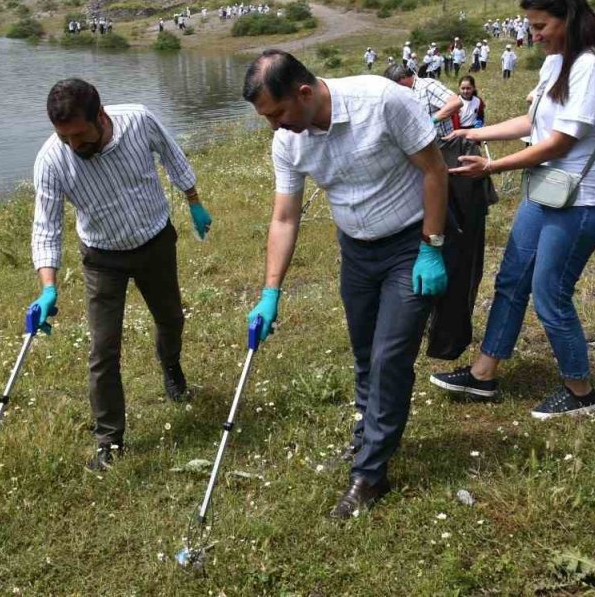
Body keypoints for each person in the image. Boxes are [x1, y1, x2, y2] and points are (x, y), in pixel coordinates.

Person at [242, 50, 450, 518]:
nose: (274, 127)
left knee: (390, 357)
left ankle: (370, 474)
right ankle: (366, 442)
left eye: (277, 114)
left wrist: (432, 247)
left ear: (304, 92)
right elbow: (284, 216)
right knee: (363, 354)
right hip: (356, 251)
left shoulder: (381, 101)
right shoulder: (288, 142)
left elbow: (435, 170)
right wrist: (270, 291)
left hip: (408, 245)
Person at [434, 0, 595, 418]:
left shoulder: (590, 67)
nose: (533, 35)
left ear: (568, 19)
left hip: (581, 200)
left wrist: (493, 167)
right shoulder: (555, 63)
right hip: (546, 191)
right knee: (512, 279)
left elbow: (559, 142)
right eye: (531, 25)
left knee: (550, 292)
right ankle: (484, 375)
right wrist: (475, 131)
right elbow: (534, 120)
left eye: (541, 26)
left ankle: (581, 392)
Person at [30, 79, 213, 472]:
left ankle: (170, 365)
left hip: (154, 241)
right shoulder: (51, 161)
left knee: (171, 319)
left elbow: (172, 155)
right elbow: (46, 227)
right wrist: (48, 288)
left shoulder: (138, 121)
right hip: (102, 257)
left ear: (100, 116)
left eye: (80, 135)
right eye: (65, 138)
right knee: (103, 349)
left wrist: (193, 200)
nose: (74, 146)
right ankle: (109, 441)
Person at [383, 62, 463, 136]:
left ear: (403, 77)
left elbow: (456, 102)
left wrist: (430, 121)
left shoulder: (427, 86)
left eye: (395, 84)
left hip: (443, 142)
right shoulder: (407, 92)